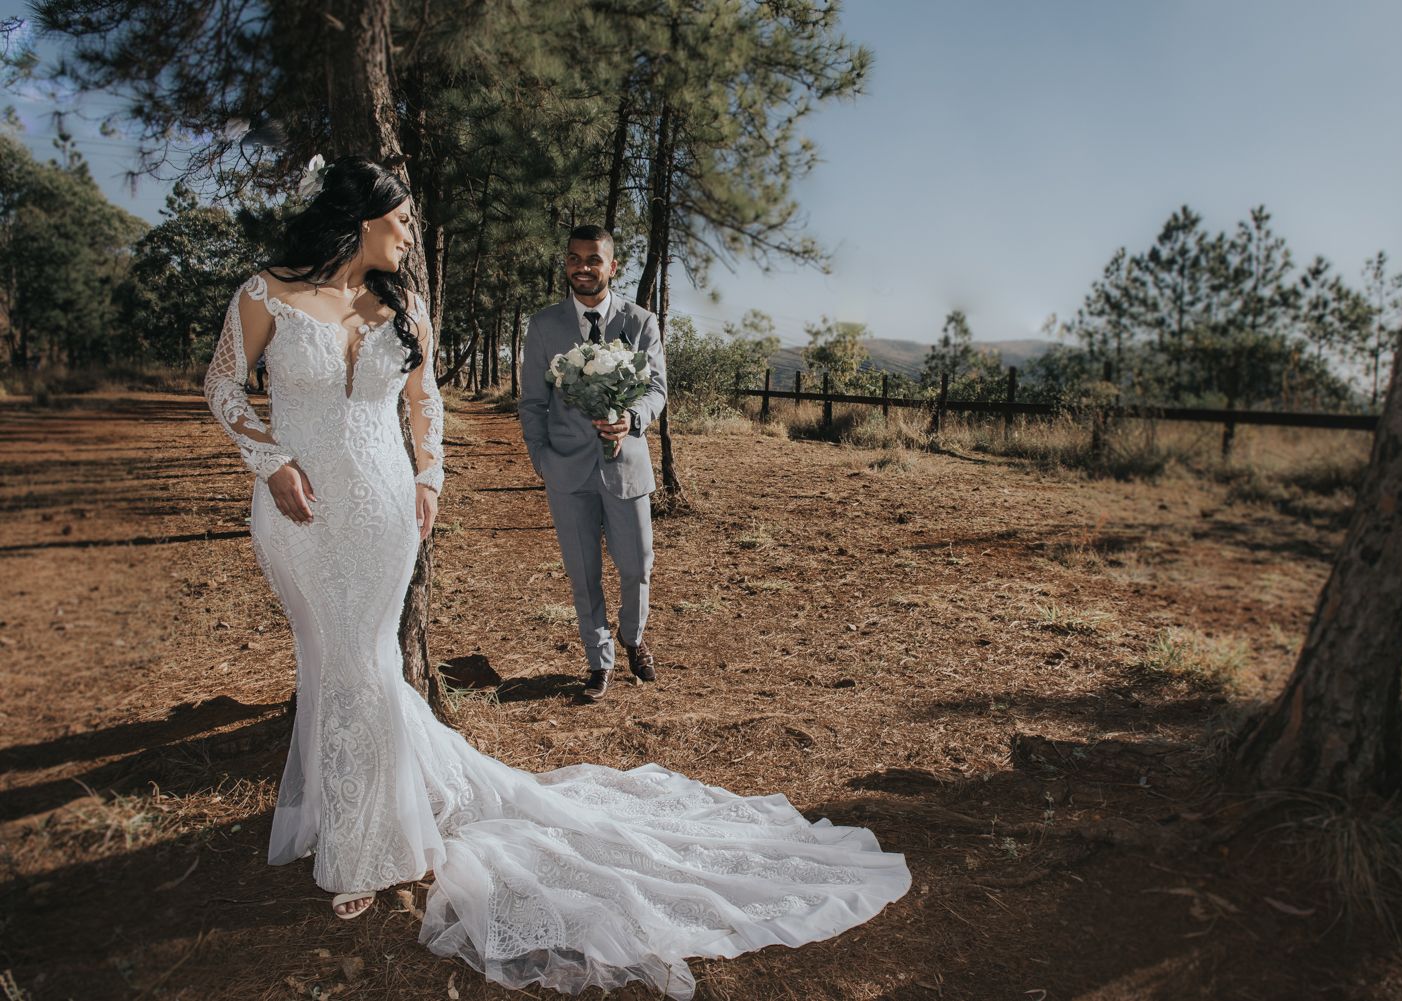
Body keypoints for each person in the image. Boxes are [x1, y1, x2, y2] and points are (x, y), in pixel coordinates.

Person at [204, 157, 909, 999]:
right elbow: (221, 386)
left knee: (366, 662)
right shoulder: (265, 291)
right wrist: (270, 457)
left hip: (387, 507)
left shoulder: (405, 305)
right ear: (361, 219)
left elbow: (425, 402)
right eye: (402, 224)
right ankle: (359, 817)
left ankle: (364, 841)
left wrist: (430, 475)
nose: (411, 238)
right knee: (341, 661)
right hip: (299, 510)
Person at [519, 225, 667, 702]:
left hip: (628, 465)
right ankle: (598, 660)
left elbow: (658, 389)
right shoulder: (543, 326)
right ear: (566, 263)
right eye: (574, 258)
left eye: (593, 259)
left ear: (612, 267)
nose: (583, 267)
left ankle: (633, 637)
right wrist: (542, 459)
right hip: (566, 469)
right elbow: (531, 402)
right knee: (582, 573)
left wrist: (633, 417)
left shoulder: (641, 322)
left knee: (638, 564)